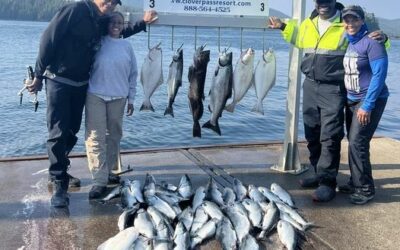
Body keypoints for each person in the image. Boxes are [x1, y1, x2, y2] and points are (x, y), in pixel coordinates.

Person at [27, 0, 157, 207]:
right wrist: (38, 75)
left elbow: (117, 33)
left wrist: (143, 23)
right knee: (58, 132)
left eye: (115, 2)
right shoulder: (74, 10)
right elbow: (48, 39)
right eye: (109, 0)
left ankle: (61, 170)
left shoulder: (102, 19)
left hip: (81, 84)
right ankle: (59, 183)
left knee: (72, 131)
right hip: (58, 80)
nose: (111, 4)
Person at [268, 0, 388, 202]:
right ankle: (316, 170)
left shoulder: (346, 21)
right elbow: (298, 38)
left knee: (329, 135)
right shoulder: (308, 23)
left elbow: (370, 41)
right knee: (312, 131)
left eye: (327, 0)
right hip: (310, 84)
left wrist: (383, 37)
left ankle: (327, 181)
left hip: (333, 88)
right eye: (319, 0)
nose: (323, 4)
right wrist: (283, 27)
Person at [339, 5, 389, 205]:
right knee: (354, 142)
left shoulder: (372, 43)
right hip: (352, 99)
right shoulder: (351, 42)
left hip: (369, 100)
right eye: (347, 20)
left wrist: (367, 105)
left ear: (362, 21)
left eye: (354, 19)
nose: (350, 23)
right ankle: (355, 181)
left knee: (357, 142)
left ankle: (365, 188)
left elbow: (379, 75)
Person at [85, 11, 137, 199]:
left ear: (124, 25)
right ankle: (99, 181)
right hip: (95, 95)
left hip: (119, 97)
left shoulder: (127, 46)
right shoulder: (98, 42)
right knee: (95, 138)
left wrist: (131, 98)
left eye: (120, 22)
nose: (116, 25)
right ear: (106, 24)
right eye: (113, 22)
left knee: (114, 135)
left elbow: (133, 74)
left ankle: (110, 172)